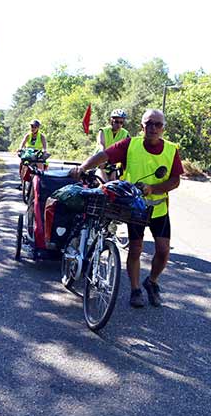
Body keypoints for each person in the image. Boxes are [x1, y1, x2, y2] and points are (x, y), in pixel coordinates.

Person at [70, 109, 183, 308]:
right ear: (142, 126)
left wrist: (153, 189)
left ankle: (152, 282)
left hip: (159, 209)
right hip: (135, 208)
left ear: (164, 128)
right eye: (149, 123)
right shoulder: (131, 144)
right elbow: (104, 155)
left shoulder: (172, 150)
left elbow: (175, 180)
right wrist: (83, 168)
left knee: (163, 251)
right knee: (136, 249)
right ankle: (135, 289)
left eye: (158, 124)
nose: (153, 128)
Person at [96, 109, 130, 181]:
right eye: (116, 122)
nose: (119, 125)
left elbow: (128, 150)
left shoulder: (125, 133)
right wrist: (102, 161)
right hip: (100, 160)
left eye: (121, 122)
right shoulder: (103, 131)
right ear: (111, 121)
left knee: (113, 184)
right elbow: (101, 145)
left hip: (114, 163)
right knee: (103, 182)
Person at [17, 119, 48, 184]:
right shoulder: (28, 135)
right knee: (23, 165)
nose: (33, 128)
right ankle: (22, 183)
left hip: (37, 153)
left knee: (40, 165)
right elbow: (22, 143)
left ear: (38, 128)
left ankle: (41, 182)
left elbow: (45, 147)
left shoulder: (42, 136)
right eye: (32, 126)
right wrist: (20, 149)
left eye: (35, 127)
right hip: (28, 153)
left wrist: (45, 151)